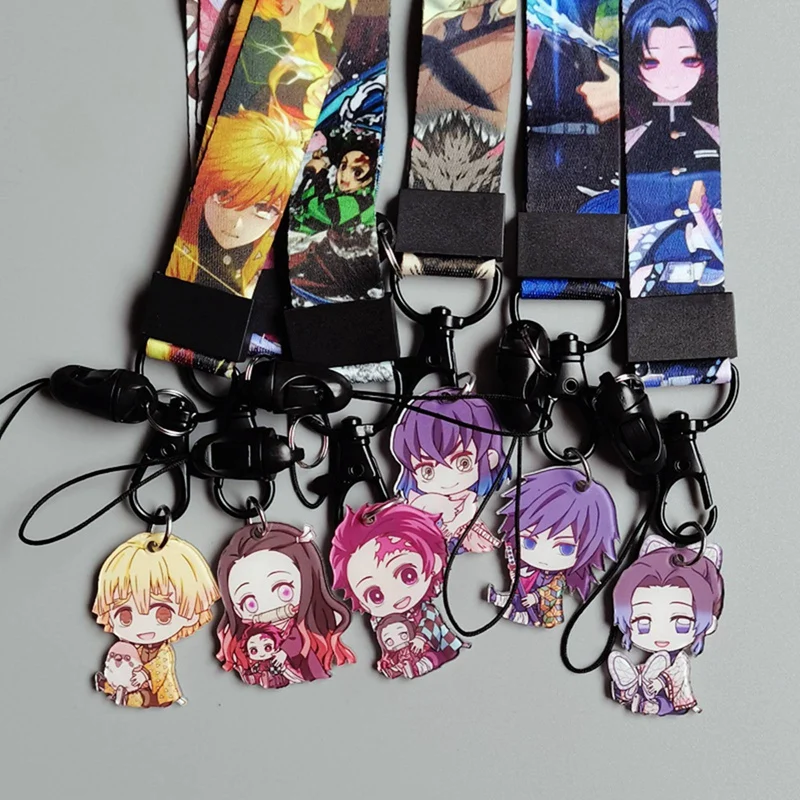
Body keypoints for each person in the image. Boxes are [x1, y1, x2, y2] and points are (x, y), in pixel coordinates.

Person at [331, 501, 468, 679]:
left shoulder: (426, 610)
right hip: (403, 651)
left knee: (435, 652)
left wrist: (420, 638)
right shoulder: (379, 620)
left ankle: (425, 663)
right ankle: (400, 667)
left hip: (436, 645)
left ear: (433, 562)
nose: (396, 596)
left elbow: (430, 623)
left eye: (408, 575)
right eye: (376, 595)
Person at [216, 522, 356, 686]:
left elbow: (296, 640)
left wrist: (283, 652)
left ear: (307, 581)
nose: (269, 607)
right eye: (250, 603)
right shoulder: (252, 635)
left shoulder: (299, 629)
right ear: (237, 610)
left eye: (284, 591)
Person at [92, 532, 220, 708]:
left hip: (156, 691)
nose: (143, 626)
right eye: (125, 616)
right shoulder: (132, 647)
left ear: (191, 613)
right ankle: (108, 686)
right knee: (122, 681)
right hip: (133, 680)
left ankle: (124, 697)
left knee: (142, 696)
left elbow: (160, 670)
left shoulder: (163, 653)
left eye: (163, 614)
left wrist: (144, 675)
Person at [486, 467, 620, 628]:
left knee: (526, 606)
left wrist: (536, 597)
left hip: (544, 610)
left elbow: (553, 591)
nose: (543, 556)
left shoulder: (557, 579)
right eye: (530, 542)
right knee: (516, 595)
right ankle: (502, 601)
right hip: (524, 594)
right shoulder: (526, 563)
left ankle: (520, 615)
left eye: (565, 548)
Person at [608, 534, 723, 716]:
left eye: (682, 624)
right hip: (645, 680)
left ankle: (657, 706)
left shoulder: (679, 661)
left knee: (664, 694)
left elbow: (677, 678)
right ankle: (634, 698)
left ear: (709, 624)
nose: (660, 635)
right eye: (643, 624)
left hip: (666, 692)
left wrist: (660, 682)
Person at [390, 389, 509, 554]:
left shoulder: (469, 498)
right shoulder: (418, 501)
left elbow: (467, 514)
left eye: (463, 463)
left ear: (490, 458)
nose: (446, 479)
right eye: (427, 471)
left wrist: (455, 524)